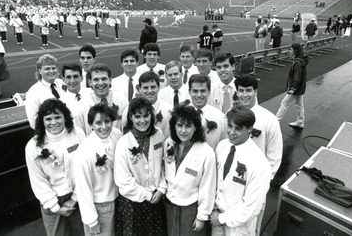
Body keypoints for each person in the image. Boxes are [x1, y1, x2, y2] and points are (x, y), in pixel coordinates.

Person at [25, 99, 85, 236]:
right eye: (48, 118)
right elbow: (38, 180)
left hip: (78, 197)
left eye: (58, 117)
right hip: (52, 201)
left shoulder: (78, 134)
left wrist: (74, 198)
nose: (54, 122)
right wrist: (55, 207)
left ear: (65, 117)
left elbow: (84, 168)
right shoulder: (33, 146)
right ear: (42, 121)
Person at [210, 105, 271, 236]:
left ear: (250, 129)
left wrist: (221, 219)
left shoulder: (259, 163)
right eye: (230, 126)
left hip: (238, 228)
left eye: (238, 128)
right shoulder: (222, 146)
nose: (232, 132)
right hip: (217, 220)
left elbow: (252, 206)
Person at [234, 74, 283, 235]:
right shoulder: (232, 115)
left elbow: (274, 157)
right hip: (233, 184)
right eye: (241, 91)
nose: (244, 94)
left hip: (255, 185)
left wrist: (262, 184)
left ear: (256, 91)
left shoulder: (269, 119)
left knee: (250, 229)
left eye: (249, 90)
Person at [114, 97, 167, 236]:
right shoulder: (123, 143)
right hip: (132, 204)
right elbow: (123, 180)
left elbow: (161, 165)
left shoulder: (158, 134)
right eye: (137, 116)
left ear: (151, 115)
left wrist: (161, 188)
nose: (142, 120)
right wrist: (147, 195)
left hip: (156, 200)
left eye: (146, 115)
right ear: (130, 117)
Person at [164, 104, 216, 236]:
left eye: (188, 126)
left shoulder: (206, 152)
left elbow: (208, 187)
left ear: (196, 127)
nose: (183, 130)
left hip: (191, 209)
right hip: (170, 206)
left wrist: (202, 216)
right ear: (173, 126)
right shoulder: (169, 143)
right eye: (179, 125)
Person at [74, 103, 123, 236]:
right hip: (100, 206)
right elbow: (83, 187)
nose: (104, 127)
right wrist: (91, 221)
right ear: (90, 125)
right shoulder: (84, 151)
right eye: (98, 123)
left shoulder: (117, 135)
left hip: (119, 200)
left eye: (107, 121)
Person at [76, 64, 128, 135]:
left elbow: (127, 128)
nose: (100, 83)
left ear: (110, 80)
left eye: (104, 79)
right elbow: (80, 133)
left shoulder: (122, 100)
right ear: (90, 82)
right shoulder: (81, 106)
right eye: (96, 79)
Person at [122, 71, 173, 141]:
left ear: (159, 88)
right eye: (145, 88)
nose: (149, 91)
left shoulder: (169, 110)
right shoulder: (128, 111)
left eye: (153, 87)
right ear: (139, 89)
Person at [25, 54, 65, 129]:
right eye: (47, 69)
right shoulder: (33, 92)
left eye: (53, 68)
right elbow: (34, 122)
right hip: (51, 132)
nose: (51, 71)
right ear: (40, 70)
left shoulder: (64, 83)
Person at [188, 74, 227, 150]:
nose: (199, 95)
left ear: (209, 92)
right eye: (195, 91)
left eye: (203, 91)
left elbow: (223, 145)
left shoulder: (220, 118)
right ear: (189, 92)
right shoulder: (181, 115)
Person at [276, 44, 309, 128]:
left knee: (284, 102)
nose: (289, 51)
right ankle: (300, 121)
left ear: (295, 51)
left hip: (296, 88)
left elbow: (297, 78)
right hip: (300, 87)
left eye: (291, 49)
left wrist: (292, 89)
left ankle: (276, 122)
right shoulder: (300, 61)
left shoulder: (297, 63)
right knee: (299, 104)